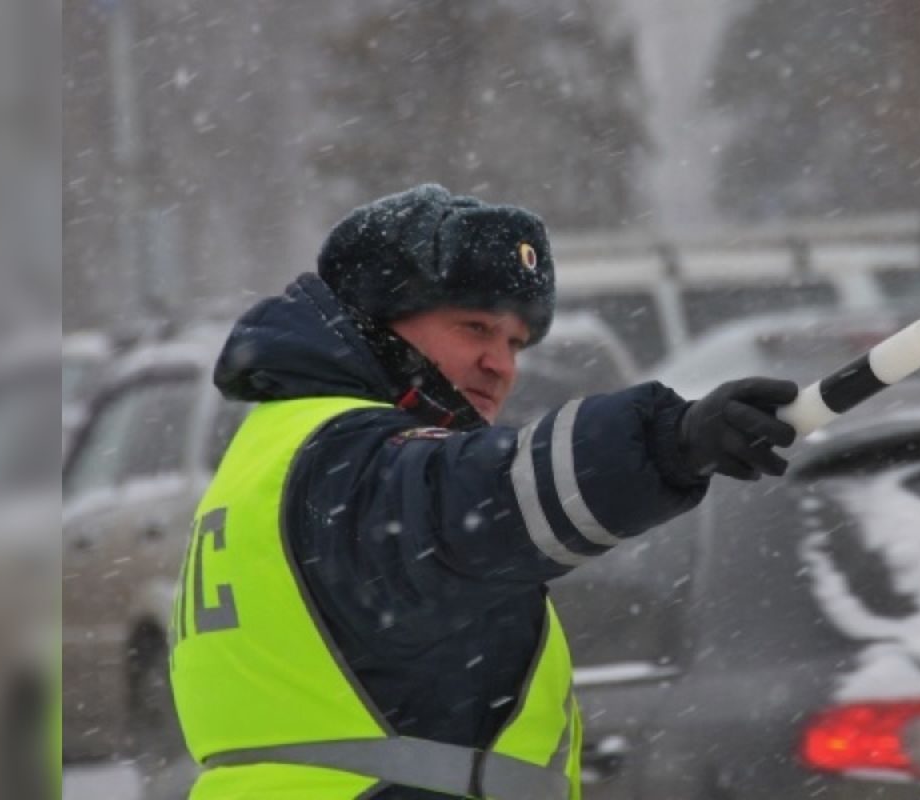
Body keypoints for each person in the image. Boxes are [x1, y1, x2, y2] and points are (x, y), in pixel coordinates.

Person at [168, 184, 799, 800]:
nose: (501, 364)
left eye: (515, 343)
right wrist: (669, 440)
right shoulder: (348, 457)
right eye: (475, 327)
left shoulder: (279, 450)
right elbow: (482, 497)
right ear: (377, 325)